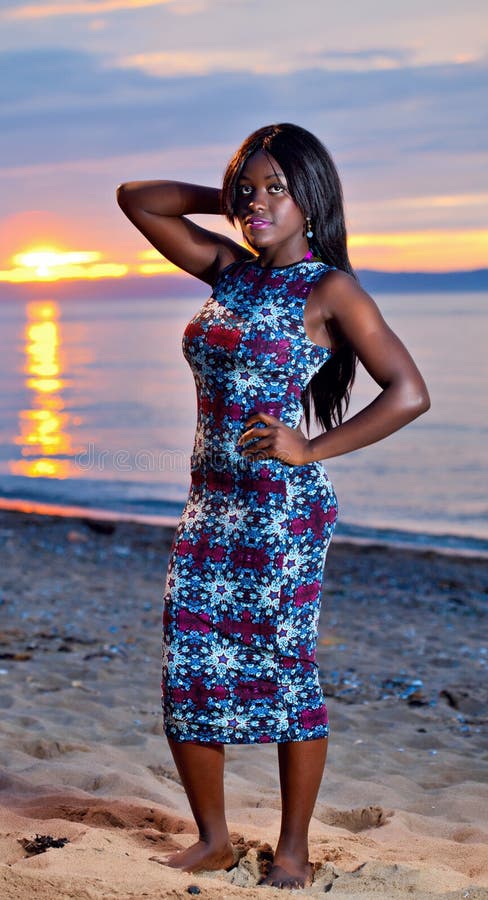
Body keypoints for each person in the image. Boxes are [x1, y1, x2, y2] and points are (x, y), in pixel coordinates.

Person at [116, 123, 430, 890]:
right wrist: (225, 200)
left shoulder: (331, 290)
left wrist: (311, 448)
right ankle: (214, 840)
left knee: (284, 667)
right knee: (188, 660)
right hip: (210, 505)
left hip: (281, 509)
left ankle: (293, 848)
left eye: (274, 191)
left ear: (312, 200)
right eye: (246, 190)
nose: (256, 205)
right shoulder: (230, 271)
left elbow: (410, 392)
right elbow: (137, 200)